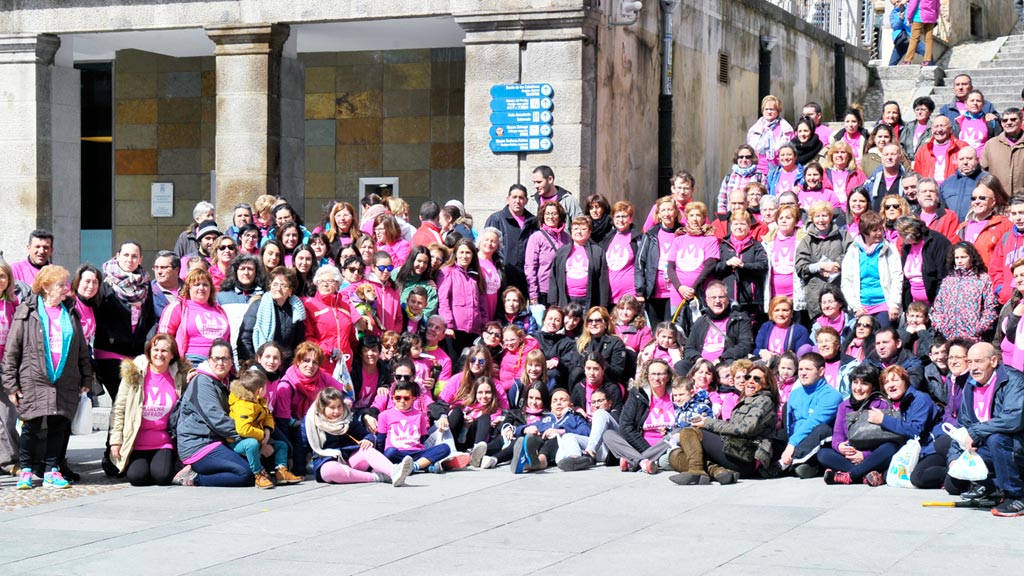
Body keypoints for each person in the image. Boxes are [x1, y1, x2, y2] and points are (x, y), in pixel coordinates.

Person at [3, 265, 94, 490]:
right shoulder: (27, 312)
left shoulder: (71, 312)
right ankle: (25, 470)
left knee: (58, 426)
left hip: (65, 379)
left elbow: (82, 348)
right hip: (33, 379)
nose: (66, 289)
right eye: (61, 285)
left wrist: (86, 378)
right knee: (30, 426)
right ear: (45, 287)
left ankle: (52, 469)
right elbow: (12, 351)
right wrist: (11, 385)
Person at [946, 343, 1024, 517]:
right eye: (970, 362)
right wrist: (954, 457)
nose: (973, 367)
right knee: (952, 484)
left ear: (994, 361)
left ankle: (1016, 495)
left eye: (979, 361)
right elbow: (963, 425)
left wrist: (976, 433)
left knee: (997, 438)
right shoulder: (970, 385)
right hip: (984, 444)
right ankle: (995, 487)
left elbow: (1013, 419)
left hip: (1015, 444)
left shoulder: (1014, 380)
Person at [673, 362, 780, 484]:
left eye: (757, 379)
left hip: (748, 456)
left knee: (690, 432)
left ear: (766, 384)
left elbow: (744, 429)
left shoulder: (764, 401)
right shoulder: (747, 399)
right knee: (675, 456)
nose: (750, 381)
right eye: (748, 377)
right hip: (735, 449)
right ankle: (717, 471)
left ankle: (697, 471)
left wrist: (708, 423)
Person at [109, 334, 190, 486]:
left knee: (162, 477)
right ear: (149, 351)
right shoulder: (135, 374)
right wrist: (115, 441)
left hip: (164, 441)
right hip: (137, 440)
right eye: (156, 349)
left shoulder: (179, 376)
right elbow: (119, 408)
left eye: (165, 351)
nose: (159, 354)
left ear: (172, 354)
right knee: (137, 478)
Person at [171, 340, 253, 487]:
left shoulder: (228, 381)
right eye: (216, 358)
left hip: (220, 440)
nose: (220, 363)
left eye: (225, 358)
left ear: (231, 361)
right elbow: (218, 420)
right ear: (209, 360)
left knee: (259, 463)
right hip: (199, 444)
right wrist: (251, 433)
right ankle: (194, 477)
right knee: (245, 474)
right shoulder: (202, 382)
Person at [303, 387, 412, 486]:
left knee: (367, 450)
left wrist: (368, 440)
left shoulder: (347, 418)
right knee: (328, 471)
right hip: (327, 461)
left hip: (350, 459)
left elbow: (366, 434)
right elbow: (302, 445)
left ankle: (394, 471)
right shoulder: (311, 422)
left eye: (339, 406)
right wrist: (298, 470)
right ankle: (378, 477)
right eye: (332, 408)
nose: (337, 411)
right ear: (322, 408)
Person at [94, 241, 158, 402]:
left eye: (134, 256)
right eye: (126, 255)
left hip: (136, 353)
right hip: (110, 352)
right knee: (122, 400)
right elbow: (96, 313)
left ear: (140, 259)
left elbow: (149, 316)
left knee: (131, 403)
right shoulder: (104, 282)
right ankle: (118, 428)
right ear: (117, 256)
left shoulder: (145, 285)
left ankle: (122, 428)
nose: (130, 259)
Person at [817, 364, 892, 485]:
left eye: (864, 384)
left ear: (873, 387)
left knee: (889, 448)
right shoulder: (844, 406)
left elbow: (885, 438)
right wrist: (840, 447)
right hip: (850, 455)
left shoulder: (881, 406)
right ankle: (865, 475)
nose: (858, 388)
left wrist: (864, 455)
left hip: (872, 455)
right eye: (855, 382)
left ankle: (851, 475)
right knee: (823, 454)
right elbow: (837, 434)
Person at [228, 369, 302, 489]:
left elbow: (268, 416)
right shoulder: (243, 404)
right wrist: (262, 437)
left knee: (281, 445)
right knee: (251, 444)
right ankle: (258, 474)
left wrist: (267, 430)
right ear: (260, 390)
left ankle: (281, 471)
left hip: (259, 437)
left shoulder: (259, 400)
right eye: (266, 388)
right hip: (239, 442)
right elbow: (243, 429)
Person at [601, 359, 677, 474]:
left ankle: (634, 460)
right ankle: (642, 461)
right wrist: (647, 449)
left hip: (666, 446)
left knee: (679, 433)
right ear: (647, 376)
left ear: (668, 376)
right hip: (639, 444)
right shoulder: (637, 395)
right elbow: (626, 427)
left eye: (661, 374)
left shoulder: (676, 395)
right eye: (653, 374)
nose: (656, 378)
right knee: (608, 435)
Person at [779, 353, 843, 478]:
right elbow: (788, 426)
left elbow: (813, 422)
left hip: (816, 441)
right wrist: (788, 443)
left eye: (808, 369)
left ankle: (784, 464)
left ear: (821, 371)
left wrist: (791, 445)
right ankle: (799, 464)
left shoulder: (831, 395)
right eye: (801, 369)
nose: (802, 373)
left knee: (822, 429)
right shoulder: (795, 393)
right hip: (795, 439)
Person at [841, 210, 903, 327]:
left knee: (882, 335)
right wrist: (856, 307)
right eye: (875, 230)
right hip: (862, 306)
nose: (879, 233)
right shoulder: (853, 250)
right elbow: (846, 282)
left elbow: (897, 277)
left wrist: (894, 304)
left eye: (881, 229)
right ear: (865, 232)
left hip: (884, 303)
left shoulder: (889, 249)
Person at [677, 281, 754, 374]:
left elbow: (746, 345)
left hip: (725, 362)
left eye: (721, 297)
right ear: (707, 301)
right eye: (713, 297)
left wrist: (722, 358)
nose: (717, 301)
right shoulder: (700, 321)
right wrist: (698, 359)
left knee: (729, 366)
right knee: (681, 365)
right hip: (701, 364)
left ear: (728, 299)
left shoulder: (740, 319)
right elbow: (689, 348)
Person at [376, 379, 451, 474]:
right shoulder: (384, 415)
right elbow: (380, 441)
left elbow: (422, 439)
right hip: (397, 453)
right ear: (393, 398)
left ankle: (414, 467)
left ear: (413, 399)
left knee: (445, 448)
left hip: (417, 453)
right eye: (398, 398)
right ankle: (425, 467)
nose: (402, 401)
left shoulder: (419, 415)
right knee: (390, 452)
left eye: (406, 398)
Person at [157, 268, 230, 364]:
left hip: (221, 363)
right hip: (192, 363)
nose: (201, 288)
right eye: (196, 284)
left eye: (205, 285)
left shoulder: (219, 310)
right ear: (188, 288)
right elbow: (163, 338)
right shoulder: (178, 307)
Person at [237, 266, 306, 365]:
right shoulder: (258, 306)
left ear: (290, 291)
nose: (278, 288)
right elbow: (245, 338)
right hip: (260, 364)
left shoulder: (296, 311)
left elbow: (299, 342)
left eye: (283, 285)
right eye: (275, 284)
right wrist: (253, 363)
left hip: (285, 366)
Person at [931, 242, 998, 340]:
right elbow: (938, 306)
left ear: (971, 257)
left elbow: (991, 306)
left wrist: (979, 328)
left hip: (973, 337)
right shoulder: (948, 280)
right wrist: (941, 326)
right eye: (957, 258)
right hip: (949, 337)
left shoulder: (982, 279)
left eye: (963, 257)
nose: (959, 261)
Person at [795, 200, 847, 320]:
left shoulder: (843, 236)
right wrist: (820, 266)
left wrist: (837, 265)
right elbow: (801, 266)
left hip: (838, 289)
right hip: (815, 293)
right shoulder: (806, 240)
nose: (821, 220)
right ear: (812, 219)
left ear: (830, 217)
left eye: (824, 215)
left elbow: (851, 254)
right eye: (817, 216)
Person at [665, 201, 719, 313]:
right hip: (678, 293)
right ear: (687, 218)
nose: (694, 219)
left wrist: (693, 288)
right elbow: (670, 267)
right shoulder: (679, 239)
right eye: (691, 215)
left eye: (698, 215)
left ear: (704, 218)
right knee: (678, 328)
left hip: (701, 292)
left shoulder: (710, 240)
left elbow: (710, 265)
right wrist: (680, 287)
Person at [714, 210, 768, 321]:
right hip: (727, 297)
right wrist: (727, 263)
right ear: (731, 226)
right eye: (736, 224)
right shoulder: (723, 246)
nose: (739, 227)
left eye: (743, 224)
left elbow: (763, 266)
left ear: (749, 227)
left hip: (750, 298)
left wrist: (743, 265)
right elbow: (715, 268)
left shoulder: (756, 246)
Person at [548, 216, 609, 310]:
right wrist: (553, 301)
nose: (579, 232)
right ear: (571, 231)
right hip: (567, 299)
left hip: (588, 300)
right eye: (576, 228)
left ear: (589, 232)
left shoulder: (598, 252)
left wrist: (603, 305)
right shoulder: (562, 251)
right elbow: (554, 276)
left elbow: (603, 279)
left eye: (583, 229)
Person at [484, 184, 536, 295]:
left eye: (521, 198)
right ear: (507, 199)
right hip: (502, 276)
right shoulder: (496, 219)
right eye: (514, 197)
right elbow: (485, 248)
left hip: (525, 278)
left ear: (526, 200)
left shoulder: (533, 222)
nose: (517, 201)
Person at [438, 238, 487, 354]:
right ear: (456, 254)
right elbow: (443, 300)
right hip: (455, 329)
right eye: (461, 252)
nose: (464, 256)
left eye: (468, 252)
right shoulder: (447, 272)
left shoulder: (476, 276)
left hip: (474, 329)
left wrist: (484, 324)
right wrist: (448, 325)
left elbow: (482, 304)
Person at [956, 175, 1012, 269]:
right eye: (974, 198)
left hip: (992, 279)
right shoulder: (963, 227)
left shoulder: (1004, 224)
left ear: (993, 201)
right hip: (967, 280)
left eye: (982, 198)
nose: (977, 202)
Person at [896, 215, 950, 309]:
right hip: (914, 304)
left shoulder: (937, 241)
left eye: (902, 234)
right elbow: (906, 281)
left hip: (935, 302)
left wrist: (937, 304)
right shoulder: (907, 245)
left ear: (911, 232)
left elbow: (943, 276)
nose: (900, 237)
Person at [524, 200, 569, 307]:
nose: (551, 217)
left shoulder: (567, 238)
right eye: (547, 214)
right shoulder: (536, 237)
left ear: (560, 216)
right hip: (544, 290)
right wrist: (533, 294)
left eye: (554, 213)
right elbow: (530, 267)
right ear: (542, 216)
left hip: (564, 289)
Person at [763, 204, 805, 310]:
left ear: (796, 221)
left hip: (796, 294)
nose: (784, 221)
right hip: (774, 295)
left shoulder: (803, 240)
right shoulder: (768, 240)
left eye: (788, 218)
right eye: (781, 218)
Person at [602, 200, 643, 303]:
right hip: (610, 294)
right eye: (617, 216)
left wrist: (640, 292)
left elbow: (642, 266)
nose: (621, 220)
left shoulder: (637, 239)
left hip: (631, 294)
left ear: (630, 219)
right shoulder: (607, 238)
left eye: (624, 216)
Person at [747, 95, 795, 175]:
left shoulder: (786, 129)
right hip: (758, 169)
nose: (769, 112)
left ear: (778, 111)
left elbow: (790, 150)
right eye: (766, 109)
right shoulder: (755, 129)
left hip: (778, 169)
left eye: (772, 109)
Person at [755, 296, 812, 363]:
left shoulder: (800, 331)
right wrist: (762, 352)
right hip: (766, 365)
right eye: (777, 310)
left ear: (792, 313)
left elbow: (801, 357)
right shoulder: (766, 327)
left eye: (785, 310)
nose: (780, 314)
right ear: (771, 313)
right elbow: (756, 350)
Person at [981, 107, 1024, 195]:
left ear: (1021, 121)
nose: (1009, 123)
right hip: (998, 199)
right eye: (1005, 120)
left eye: (1013, 119)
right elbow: (982, 171)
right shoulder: (991, 144)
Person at [915, 116, 967, 186]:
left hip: (954, 188)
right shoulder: (923, 150)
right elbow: (917, 174)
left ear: (950, 129)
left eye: (942, 126)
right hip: (930, 190)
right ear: (931, 130)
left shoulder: (962, 147)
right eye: (936, 127)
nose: (939, 130)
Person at [940, 146, 990, 220]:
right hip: (952, 228)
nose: (965, 162)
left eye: (969, 159)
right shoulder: (947, 184)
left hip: (977, 225)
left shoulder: (987, 179)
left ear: (977, 160)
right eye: (961, 159)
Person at [716, 144, 765, 214]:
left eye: (748, 157)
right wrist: (723, 218)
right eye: (741, 157)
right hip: (732, 218)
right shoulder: (729, 178)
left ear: (752, 159)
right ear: (737, 159)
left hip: (753, 217)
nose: (744, 159)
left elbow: (764, 200)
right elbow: (722, 200)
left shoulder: (759, 177)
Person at [395, 245, 439, 318]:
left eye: (425, 262)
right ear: (411, 260)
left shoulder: (429, 287)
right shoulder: (396, 275)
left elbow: (427, 315)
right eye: (419, 261)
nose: (422, 265)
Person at [864, 144, 907, 210]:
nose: (889, 157)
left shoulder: (907, 181)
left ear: (900, 157)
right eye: (886, 154)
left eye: (893, 154)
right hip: (876, 219)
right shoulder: (871, 181)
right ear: (882, 158)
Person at [917, 177, 960, 242]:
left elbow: (952, 243)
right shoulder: (911, 218)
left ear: (937, 195)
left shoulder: (950, 216)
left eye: (931, 191)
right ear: (918, 196)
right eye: (924, 191)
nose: (928, 194)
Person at [901, 0, 939, 66]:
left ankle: (908, 60)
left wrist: (909, 18)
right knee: (928, 40)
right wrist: (936, 17)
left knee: (914, 39)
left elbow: (913, 4)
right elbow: (937, 5)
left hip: (919, 17)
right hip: (931, 17)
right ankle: (927, 61)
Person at [889, 0, 926, 65]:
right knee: (892, 63)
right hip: (901, 40)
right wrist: (900, 19)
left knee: (926, 52)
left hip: (912, 38)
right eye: (894, 4)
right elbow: (894, 26)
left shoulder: (911, 8)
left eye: (898, 1)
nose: (897, 4)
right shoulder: (893, 14)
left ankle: (932, 68)